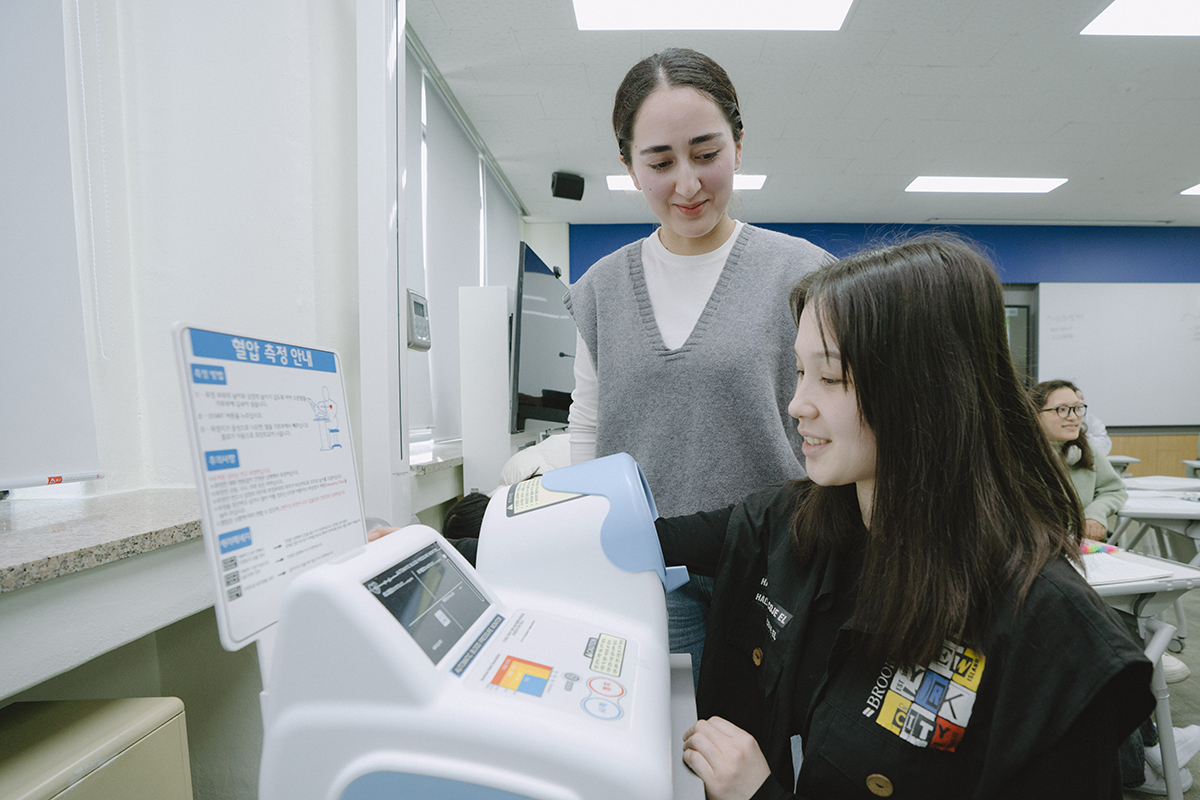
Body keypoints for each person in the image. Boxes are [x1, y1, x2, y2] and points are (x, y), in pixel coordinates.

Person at [653, 237, 1153, 799]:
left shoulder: (1044, 629)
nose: (797, 404)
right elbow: (654, 539)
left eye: (832, 376)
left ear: (926, 390)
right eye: (798, 371)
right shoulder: (793, 517)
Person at [565, 47, 830, 681]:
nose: (687, 184)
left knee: (771, 753)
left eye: (707, 154)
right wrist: (584, 542)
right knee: (677, 743)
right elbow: (587, 427)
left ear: (738, 144)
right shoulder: (600, 288)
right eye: (660, 162)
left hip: (782, 562)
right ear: (629, 167)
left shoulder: (805, 274)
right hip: (652, 568)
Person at [1030, 380, 1127, 542]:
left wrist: (1095, 514)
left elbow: (1114, 490)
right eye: (1061, 409)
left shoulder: (1085, 449)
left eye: (1077, 408)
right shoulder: (1015, 455)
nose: (1073, 417)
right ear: (1034, 414)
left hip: (1080, 546)